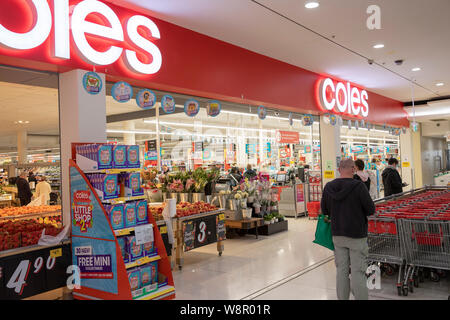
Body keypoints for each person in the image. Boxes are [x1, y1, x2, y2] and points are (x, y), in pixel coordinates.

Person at [321, 158, 375, 300]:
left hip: (337, 234)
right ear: (353, 169)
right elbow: (370, 209)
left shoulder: (328, 187)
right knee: (358, 272)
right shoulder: (359, 187)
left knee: (342, 271)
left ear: (339, 170)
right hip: (357, 235)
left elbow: (324, 210)